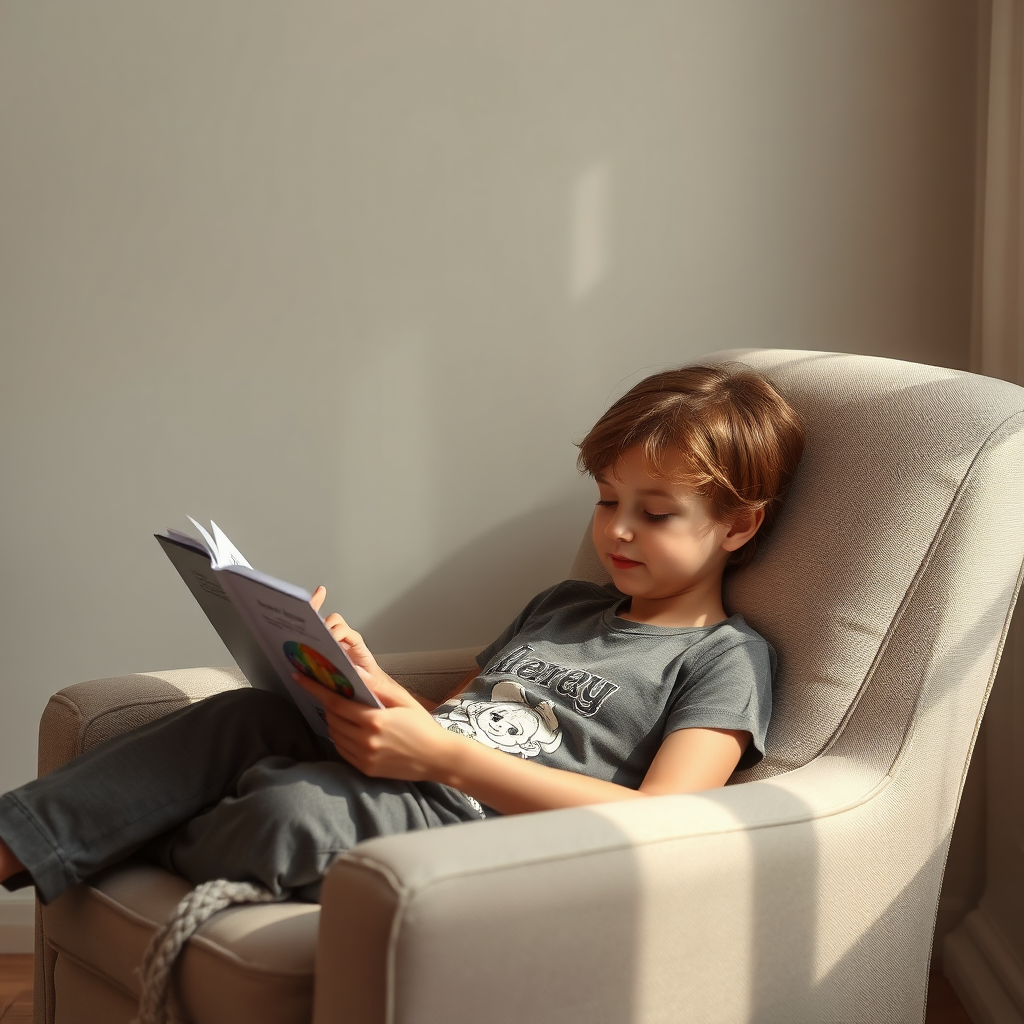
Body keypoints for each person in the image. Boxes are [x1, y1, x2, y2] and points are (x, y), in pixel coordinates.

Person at [0, 363, 804, 907]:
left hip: (480, 830)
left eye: (655, 514)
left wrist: (446, 759)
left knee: (293, 814)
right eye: (605, 500)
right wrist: (359, 676)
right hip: (419, 776)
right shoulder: (563, 603)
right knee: (238, 716)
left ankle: (134, 826)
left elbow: (670, 821)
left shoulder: (726, 657)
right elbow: (456, 709)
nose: (618, 532)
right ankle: (16, 844)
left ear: (738, 526)